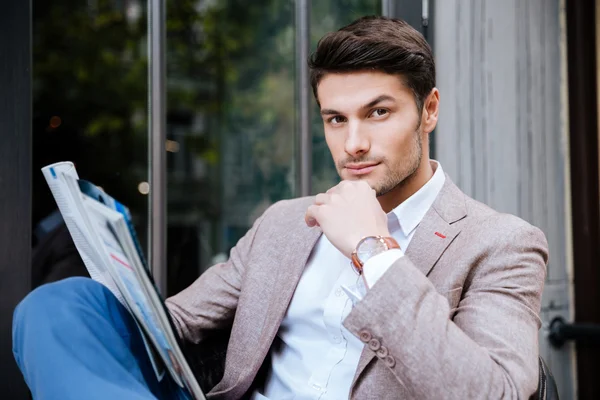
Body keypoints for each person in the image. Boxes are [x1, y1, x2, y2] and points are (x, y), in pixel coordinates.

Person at [13, 16, 548, 400]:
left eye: (378, 113)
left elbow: (494, 392)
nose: (353, 143)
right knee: (61, 305)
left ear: (428, 110)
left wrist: (374, 250)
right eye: (335, 119)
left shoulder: (499, 242)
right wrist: (117, 276)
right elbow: (172, 324)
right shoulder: (286, 223)